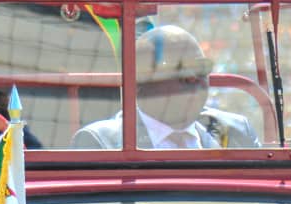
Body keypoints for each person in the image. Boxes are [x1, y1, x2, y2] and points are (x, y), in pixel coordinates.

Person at [72, 25, 259, 149]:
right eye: (179, 68)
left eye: (201, 66)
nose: (193, 78)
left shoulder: (236, 131)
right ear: (138, 82)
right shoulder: (102, 142)